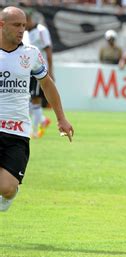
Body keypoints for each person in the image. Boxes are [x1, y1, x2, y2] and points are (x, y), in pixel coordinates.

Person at [0, 6, 74, 212]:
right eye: (16, 25)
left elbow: (47, 84)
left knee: (7, 188)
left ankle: (10, 194)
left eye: (24, 25)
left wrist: (61, 118)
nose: (21, 29)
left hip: (17, 131)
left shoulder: (31, 54)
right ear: (1, 25)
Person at [23, 9, 52, 138]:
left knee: (35, 99)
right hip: (26, 71)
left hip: (38, 70)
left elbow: (48, 51)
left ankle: (34, 131)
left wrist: (50, 71)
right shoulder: (24, 33)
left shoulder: (41, 30)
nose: (23, 25)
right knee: (28, 100)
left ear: (30, 19)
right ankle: (42, 121)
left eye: (25, 22)